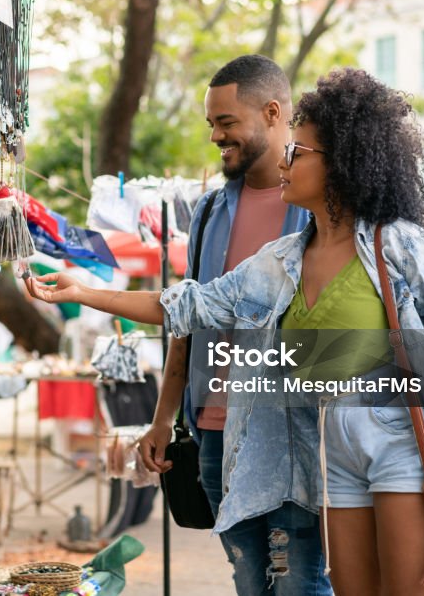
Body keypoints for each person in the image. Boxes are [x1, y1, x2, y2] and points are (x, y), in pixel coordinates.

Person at [25, 68, 424, 594]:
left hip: (401, 442)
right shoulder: (281, 261)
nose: (284, 162)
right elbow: (191, 305)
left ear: (340, 165)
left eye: (298, 153)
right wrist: (83, 290)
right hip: (332, 450)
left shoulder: (395, 245)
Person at [134, 54, 321, 595]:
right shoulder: (210, 210)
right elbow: (186, 318)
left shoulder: (314, 205)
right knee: (247, 578)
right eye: (211, 124)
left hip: (288, 432)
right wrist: (163, 419)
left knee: (300, 580)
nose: (216, 136)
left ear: (271, 112)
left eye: (226, 123)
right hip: (214, 431)